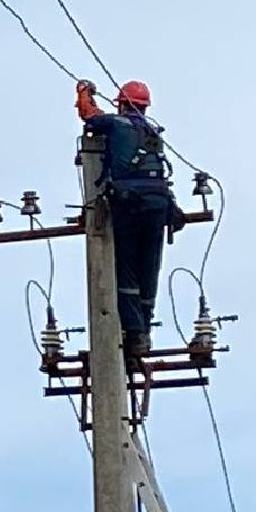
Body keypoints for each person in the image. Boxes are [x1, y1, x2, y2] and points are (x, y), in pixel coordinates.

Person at [75, 78, 186, 362]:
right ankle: (143, 331)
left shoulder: (116, 124)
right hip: (158, 205)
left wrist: (83, 92)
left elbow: (89, 116)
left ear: (122, 103)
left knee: (126, 269)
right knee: (150, 268)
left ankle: (133, 332)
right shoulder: (153, 132)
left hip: (129, 205)